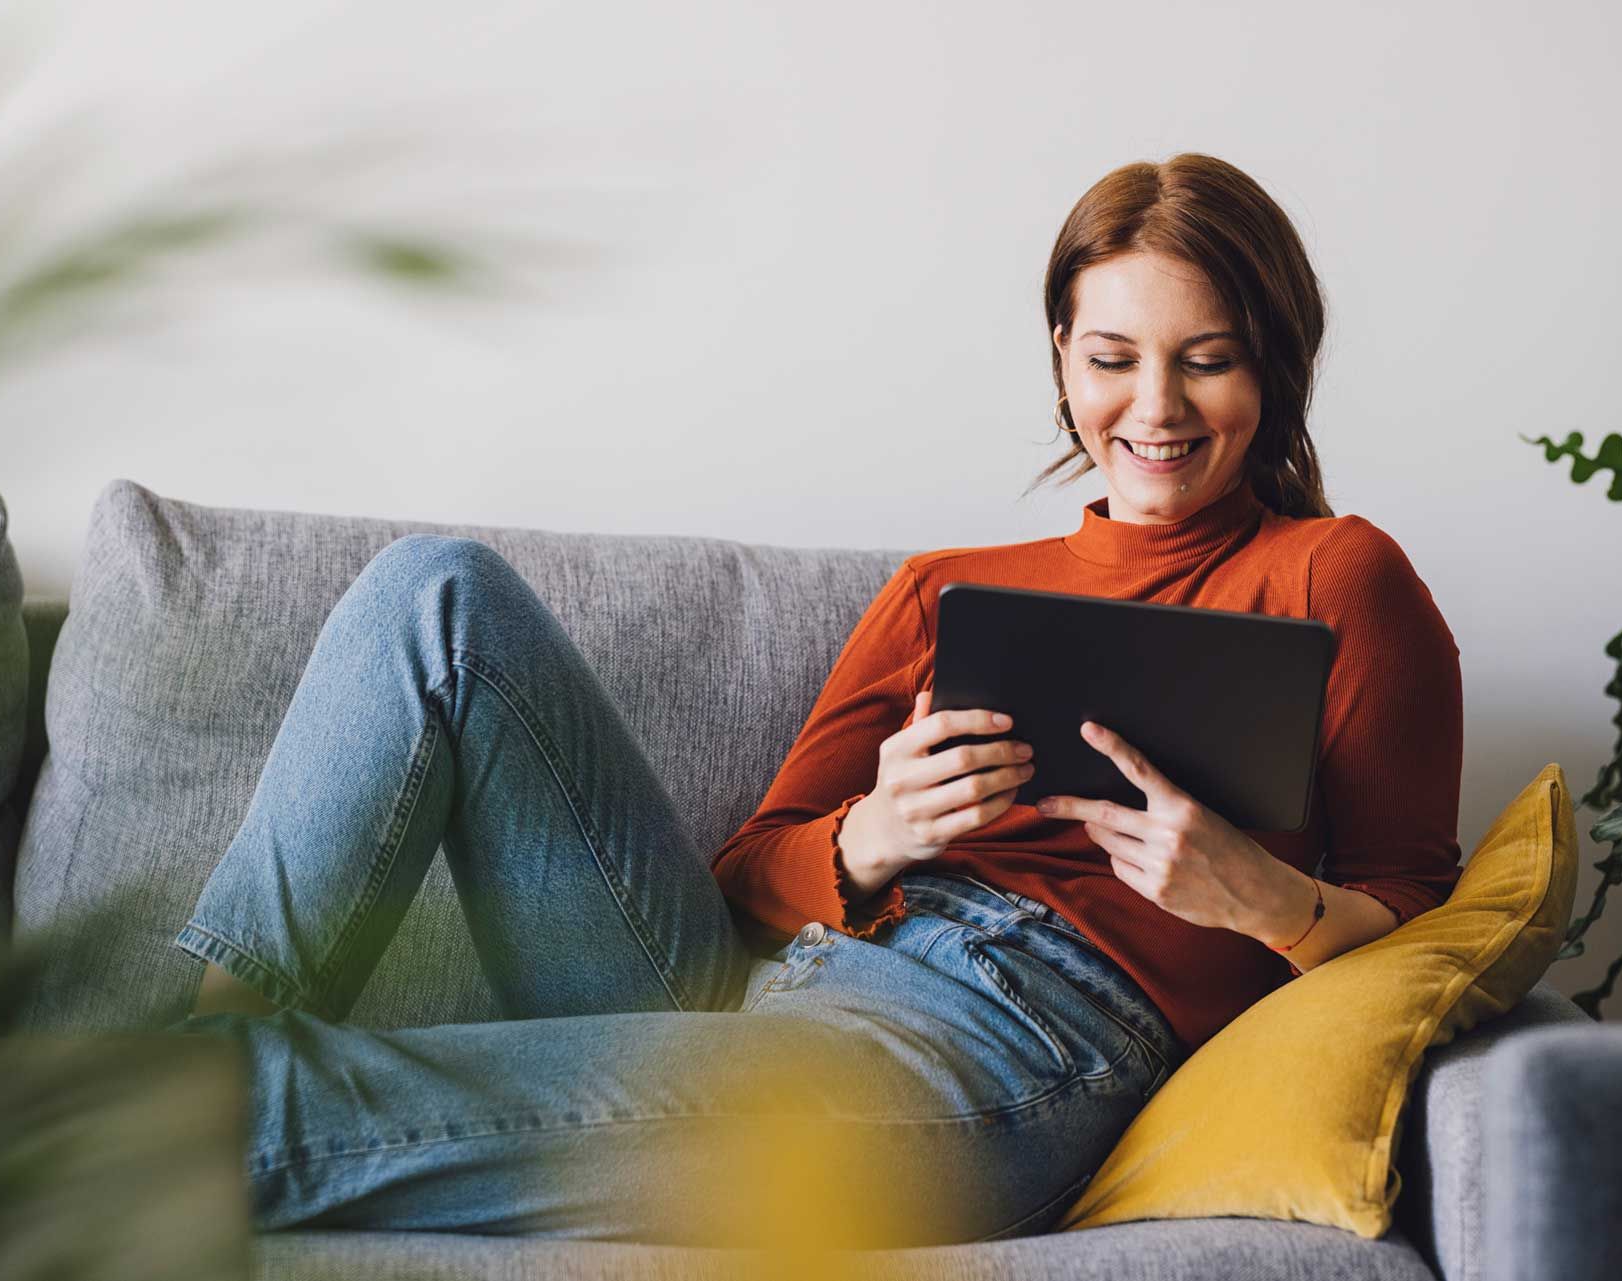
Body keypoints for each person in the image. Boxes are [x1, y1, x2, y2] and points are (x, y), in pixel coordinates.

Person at [172, 152, 1464, 1249]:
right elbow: (748, 875)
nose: (1157, 407)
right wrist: (874, 835)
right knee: (437, 595)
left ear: (1273, 365)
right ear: (1063, 360)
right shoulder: (947, 590)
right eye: (1114, 357)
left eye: (1209, 360)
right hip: (774, 988)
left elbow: (1422, 917)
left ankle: (138, 1123)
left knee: (261, 1115)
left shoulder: (1336, 576)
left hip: (1014, 1049)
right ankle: (214, 1027)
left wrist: (1265, 902)